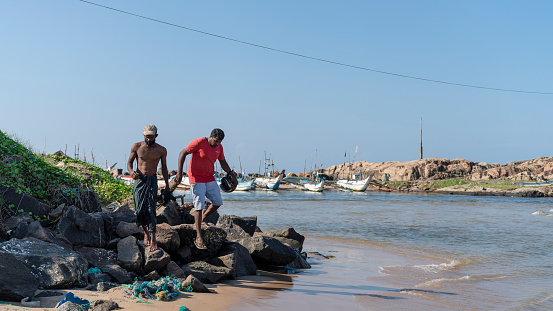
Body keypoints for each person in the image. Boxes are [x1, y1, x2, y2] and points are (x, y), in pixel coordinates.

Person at [175, 128, 237, 250]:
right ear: (211, 136)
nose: (217, 143)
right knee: (199, 206)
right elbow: (182, 153)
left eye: (219, 141)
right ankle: (199, 236)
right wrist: (179, 172)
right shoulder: (199, 142)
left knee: (218, 201)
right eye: (216, 141)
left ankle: (203, 218)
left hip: (209, 178)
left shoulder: (219, 147)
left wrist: (231, 174)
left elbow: (222, 162)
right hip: (196, 178)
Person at [127, 124, 170, 251]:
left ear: (156, 136)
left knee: (151, 209)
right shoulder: (137, 146)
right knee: (139, 210)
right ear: (143, 136)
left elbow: (164, 168)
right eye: (147, 137)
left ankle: (153, 238)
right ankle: (145, 232)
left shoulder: (161, 150)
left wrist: (167, 186)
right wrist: (131, 172)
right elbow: (129, 162)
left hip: (152, 180)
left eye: (151, 137)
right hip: (140, 180)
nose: (149, 139)